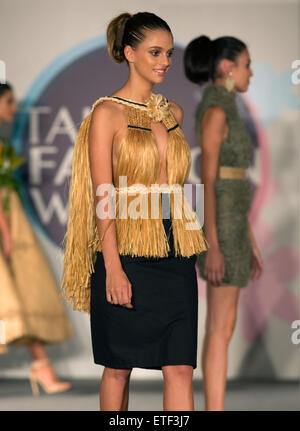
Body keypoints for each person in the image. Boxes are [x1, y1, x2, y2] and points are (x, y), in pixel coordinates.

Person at [61, 12, 208, 411]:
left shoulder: (173, 114)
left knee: (179, 368)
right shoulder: (107, 114)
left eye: (169, 53)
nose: (164, 61)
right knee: (118, 366)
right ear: (129, 53)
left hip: (175, 251)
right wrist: (113, 267)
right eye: (154, 52)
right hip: (125, 252)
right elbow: (103, 195)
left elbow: (176, 189)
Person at [184, 36, 264, 410]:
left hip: (233, 227)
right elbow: (209, 179)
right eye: (246, 64)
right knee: (219, 328)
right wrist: (213, 244)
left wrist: (248, 239)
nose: (250, 71)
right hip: (221, 230)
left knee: (223, 327)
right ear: (227, 67)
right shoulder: (216, 111)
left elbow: (233, 183)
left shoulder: (227, 108)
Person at [0, 82, 73, 396]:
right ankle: (41, 367)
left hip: (11, 219)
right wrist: (5, 233)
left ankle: (41, 367)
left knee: (23, 294)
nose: (14, 109)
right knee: (12, 297)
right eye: (9, 102)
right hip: (6, 223)